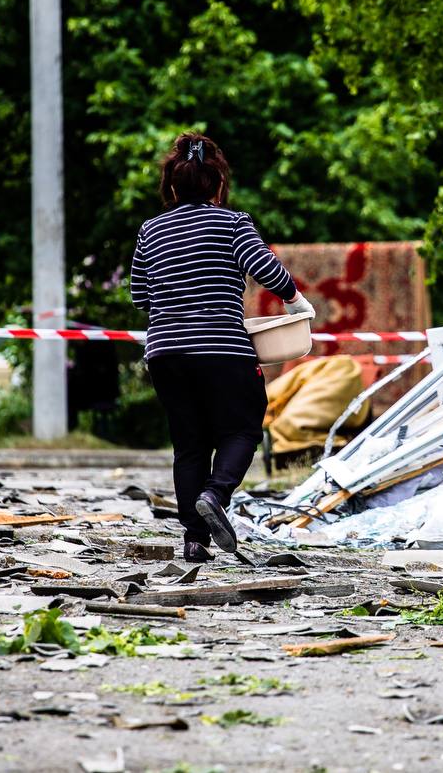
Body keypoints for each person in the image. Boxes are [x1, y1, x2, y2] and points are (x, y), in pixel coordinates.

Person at [131, 133, 313, 563]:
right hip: (223, 349)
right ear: (217, 184)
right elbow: (264, 266)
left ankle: (194, 542)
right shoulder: (232, 223)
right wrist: (295, 301)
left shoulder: (150, 230)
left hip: (166, 354)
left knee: (189, 443)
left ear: (173, 185)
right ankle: (215, 496)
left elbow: (140, 295)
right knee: (243, 428)